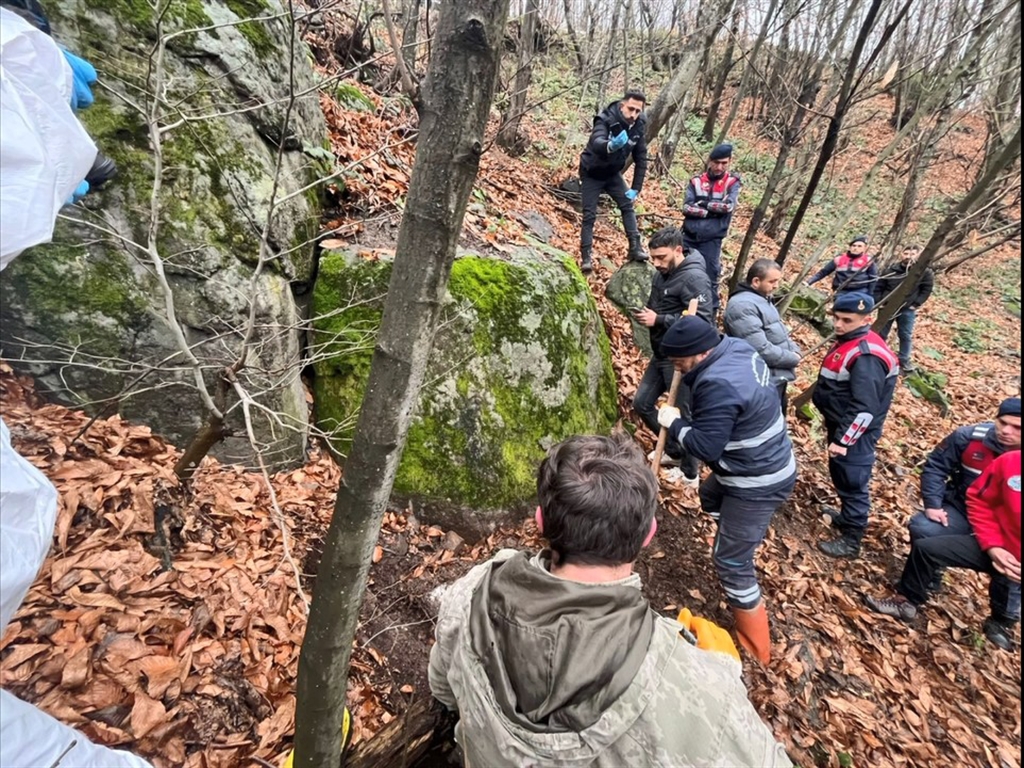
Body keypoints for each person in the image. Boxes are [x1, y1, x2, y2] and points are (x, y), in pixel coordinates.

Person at [428, 434, 794, 767]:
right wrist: (722, 673)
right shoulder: (694, 685)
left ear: (541, 521)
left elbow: (443, 688)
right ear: (648, 535)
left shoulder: (477, 587)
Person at [657, 317, 797, 663]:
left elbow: (706, 447)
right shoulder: (735, 347)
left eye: (679, 362)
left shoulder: (718, 384)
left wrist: (673, 422)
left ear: (700, 353)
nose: (677, 369)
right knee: (709, 496)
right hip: (752, 463)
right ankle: (731, 536)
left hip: (757, 480)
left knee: (732, 562)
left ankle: (755, 647)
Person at [865, 450, 1021, 652]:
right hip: (997, 543)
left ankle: (1001, 622)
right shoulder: (1011, 461)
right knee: (927, 548)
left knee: (1008, 588)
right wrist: (993, 545)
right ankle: (907, 600)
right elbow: (979, 499)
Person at [906, 397, 1021, 648]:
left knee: (1011, 567)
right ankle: (927, 578)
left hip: (1011, 531)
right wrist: (933, 504)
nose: (1006, 431)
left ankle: (1003, 619)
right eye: (1002, 423)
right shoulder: (968, 437)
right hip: (963, 509)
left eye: (1017, 428)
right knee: (924, 528)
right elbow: (936, 466)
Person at [812, 292, 899, 558]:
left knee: (853, 480)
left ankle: (852, 539)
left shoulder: (867, 355)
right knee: (841, 475)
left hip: (855, 433)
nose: (838, 325)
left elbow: (864, 407)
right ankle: (846, 516)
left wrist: (843, 441)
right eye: (836, 318)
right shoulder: (849, 340)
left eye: (847, 320)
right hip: (840, 424)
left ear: (867, 320)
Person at [631, 226, 712, 485]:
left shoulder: (694, 279)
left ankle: (690, 474)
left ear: (678, 250)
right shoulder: (664, 273)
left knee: (684, 415)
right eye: (653, 257)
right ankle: (674, 451)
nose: (656, 263)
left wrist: (660, 319)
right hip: (661, 351)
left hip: (682, 359)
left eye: (661, 258)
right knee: (642, 403)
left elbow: (702, 320)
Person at [577, 90, 649, 273]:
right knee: (589, 214)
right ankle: (586, 257)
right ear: (621, 106)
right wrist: (610, 146)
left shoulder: (639, 126)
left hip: (612, 173)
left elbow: (641, 158)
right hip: (591, 172)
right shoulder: (606, 119)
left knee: (627, 205)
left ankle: (635, 247)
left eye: (638, 111)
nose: (633, 115)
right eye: (630, 109)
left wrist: (636, 189)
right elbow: (596, 140)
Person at [723, 258, 802, 413]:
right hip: (761, 378)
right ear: (756, 281)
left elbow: (780, 333)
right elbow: (759, 349)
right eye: (772, 281)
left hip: (776, 376)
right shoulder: (743, 305)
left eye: (778, 281)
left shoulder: (763, 300)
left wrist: (795, 350)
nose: (776, 286)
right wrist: (792, 358)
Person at [681, 143, 741, 319]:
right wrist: (711, 211)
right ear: (710, 161)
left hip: (712, 240)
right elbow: (686, 207)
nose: (719, 167)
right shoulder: (696, 181)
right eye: (716, 162)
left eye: (723, 163)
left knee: (710, 277)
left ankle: (709, 316)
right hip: (690, 235)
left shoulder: (732, 182)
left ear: (729, 161)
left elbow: (728, 206)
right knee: (681, 270)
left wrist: (703, 205)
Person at [874, 244, 933, 373]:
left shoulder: (924, 272)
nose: (908, 257)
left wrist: (916, 304)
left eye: (912, 254)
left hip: (907, 308)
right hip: (887, 307)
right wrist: (880, 302)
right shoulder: (891, 270)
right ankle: (876, 355)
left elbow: (926, 289)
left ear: (918, 255)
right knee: (880, 333)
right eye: (906, 254)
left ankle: (904, 360)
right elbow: (879, 286)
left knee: (905, 334)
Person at [807, 235, 877, 295]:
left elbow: (873, 278)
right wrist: (809, 282)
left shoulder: (868, 261)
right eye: (854, 246)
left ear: (864, 248)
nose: (856, 248)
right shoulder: (839, 259)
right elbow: (823, 272)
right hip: (840, 290)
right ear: (850, 247)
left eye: (859, 246)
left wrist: (869, 294)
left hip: (860, 291)